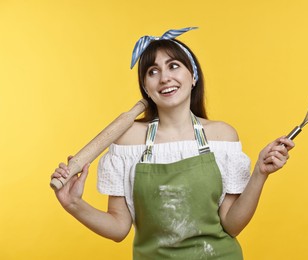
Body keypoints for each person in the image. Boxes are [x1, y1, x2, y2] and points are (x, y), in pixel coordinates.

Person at [51, 27, 295, 259]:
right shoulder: (128, 140)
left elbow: (231, 224)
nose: (164, 78)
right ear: (146, 88)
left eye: (174, 66)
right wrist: (73, 203)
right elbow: (118, 228)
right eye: (153, 71)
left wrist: (260, 174)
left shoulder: (221, 136)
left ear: (193, 77)